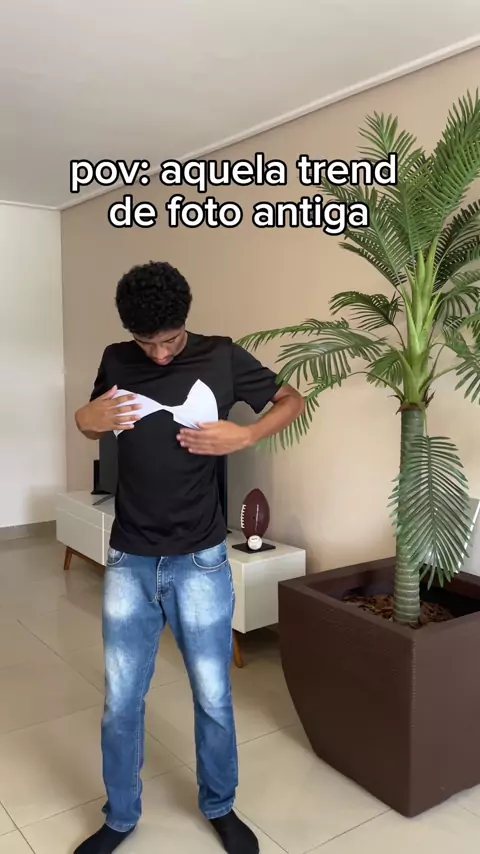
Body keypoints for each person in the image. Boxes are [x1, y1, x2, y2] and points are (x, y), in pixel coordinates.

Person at [73, 261, 304, 854]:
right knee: (121, 701)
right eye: (145, 342)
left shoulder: (221, 356)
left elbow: (291, 399)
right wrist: (84, 420)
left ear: (186, 323)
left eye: (170, 341)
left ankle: (220, 805)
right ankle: (121, 816)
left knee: (213, 696)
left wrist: (246, 435)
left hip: (200, 559)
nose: (157, 354)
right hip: (129, 559)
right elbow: (96, 421)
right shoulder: (115, 358)